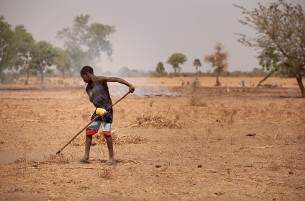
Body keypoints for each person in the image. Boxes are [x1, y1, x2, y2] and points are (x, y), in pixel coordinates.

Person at [79, 66, 135, 164]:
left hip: (107, 109)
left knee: (106, 133)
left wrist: (129, 85)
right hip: (98, 111)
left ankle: (111, 158)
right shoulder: (88, 87)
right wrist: (99, 111)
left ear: (87, 74)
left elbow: (116, 79)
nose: (83, 80)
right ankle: (86, 157)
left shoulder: (100, 80)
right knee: (89, 131)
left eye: (83, 77)